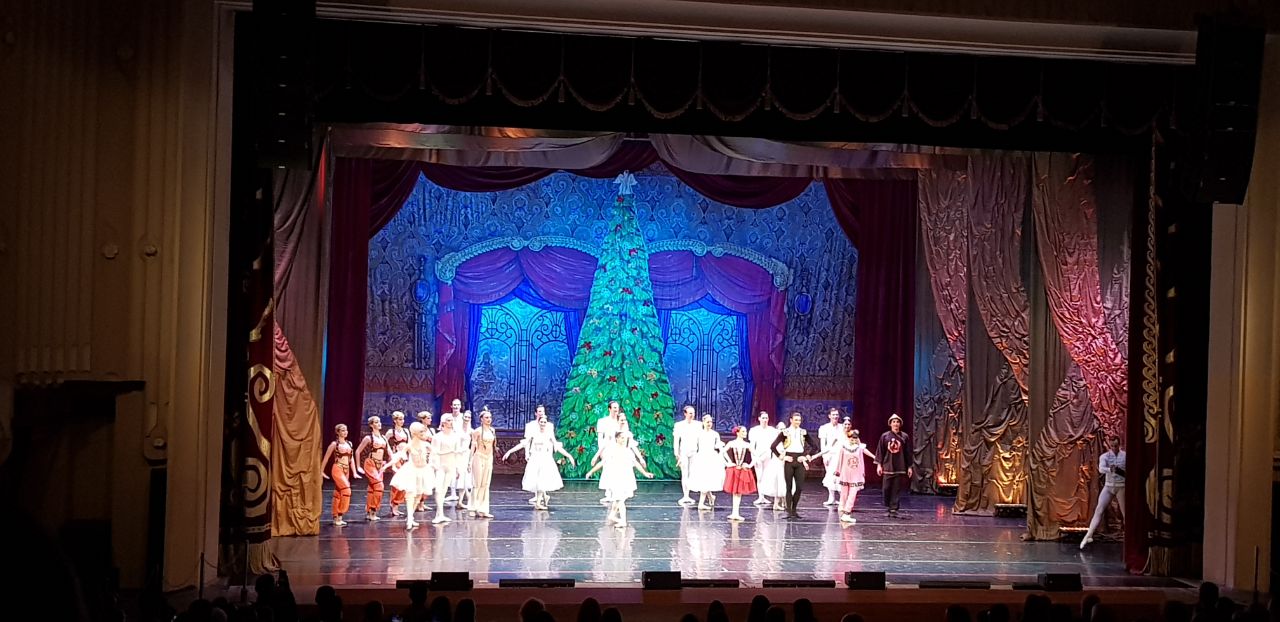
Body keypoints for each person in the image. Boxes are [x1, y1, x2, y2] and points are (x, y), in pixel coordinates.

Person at [504, 411, 577, 510]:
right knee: (537, 480)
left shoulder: (549, 434)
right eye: (541, 422)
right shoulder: (534, 433)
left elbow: (557, 446)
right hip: (535, 458)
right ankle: (543, 498)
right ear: (538, 423)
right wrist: (509, 451)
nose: (543, 424)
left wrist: (569, 456)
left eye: (544, 422)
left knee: (542, 480)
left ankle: (539, 502)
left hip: (545, 459)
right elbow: (523, 444)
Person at [586, 430, 654, 527]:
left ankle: (618, 518)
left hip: (626, 477)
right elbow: (603, 462)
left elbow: (635, 463)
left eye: (625, 438)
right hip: (616, 477)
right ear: (617, 438)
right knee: (619, 499)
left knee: (619, 499)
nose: (624, 440)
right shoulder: (612, 451)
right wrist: (591, 471)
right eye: (622, 438)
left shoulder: (628, 451)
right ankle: (620, 519)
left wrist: (645, 473)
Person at [769, 412, 818, 520]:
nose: (798, 422)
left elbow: (814, 446)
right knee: (789, 487)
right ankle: (789, 511)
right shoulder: (785, 432)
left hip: (799, 460)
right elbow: (773, 446)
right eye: (796, 420)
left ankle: (794, 509)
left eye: (799, 420)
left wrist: (806, 456)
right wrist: (782, 457)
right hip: (789, 460)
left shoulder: (803, 432)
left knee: (799, 487)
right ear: (791, 420)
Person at [1081, 435, 1126, 549]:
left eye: (1116, 446)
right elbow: (1101, 469)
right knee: (1099, 509)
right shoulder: (1105, 456)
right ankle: (1089, 535)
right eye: (1112, 446)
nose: (1114, 448)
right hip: (1109, 486)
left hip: (1121, 486)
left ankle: (1130, 537)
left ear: (1119, 445)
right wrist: (1110, 469)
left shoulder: (1125, 456)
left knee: (1125, 512)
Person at [389, 422, 434, 531]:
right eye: (421, 432)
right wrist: (388, 465)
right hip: (413, 471)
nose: (423, 433)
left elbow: (437, 454)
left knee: (418, 495)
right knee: (411, 495)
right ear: (415, 433)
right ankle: (409, 519)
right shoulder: (409, 445)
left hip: (423, 471)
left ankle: (411, 516)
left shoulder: (426, 445)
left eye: (423, 431)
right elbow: (398, 456)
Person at [831, 425, 876, 524]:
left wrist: (874, 458)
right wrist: (837, 471)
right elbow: (840, 460)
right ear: (848, 438)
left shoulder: (859, 448)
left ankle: (847, 512)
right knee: (844, 493)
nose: (853, 440)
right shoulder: (843, 448)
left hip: (855, 474)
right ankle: (842, 510)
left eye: (855, 439)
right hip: (845, 473)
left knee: (853, 494)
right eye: (852, 438)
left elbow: (862, 458)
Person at [875, 413, 913, 518]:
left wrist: (909, 467)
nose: (895, 424)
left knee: (896, 489)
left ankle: (893, 508)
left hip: (900, 466)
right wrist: (879, 465)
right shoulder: (885, 436)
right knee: (886, 488)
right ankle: (888, 505)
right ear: (890, 424)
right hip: (887, 466)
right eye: (894, 422)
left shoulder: (904, 436)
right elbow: (880, 451)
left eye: (897, 422)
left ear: (900, 424)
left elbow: (908, 453)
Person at [430, 413, 465, 524]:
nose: (451, 422)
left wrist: (458, 468)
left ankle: (440, 514)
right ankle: (439, 513)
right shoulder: (438, 437)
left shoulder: (455, 436)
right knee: (438, 489)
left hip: (451, 465)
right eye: (448, 420)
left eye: (451, 420)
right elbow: (434, 452)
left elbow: (457, 453)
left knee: (444, 489)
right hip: (440, 466)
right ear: (443, 422)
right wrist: (434, 465)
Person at [355, 415, 391, 521]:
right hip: (370, 463)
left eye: (379, 421)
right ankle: (373, 510)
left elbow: (389, 452)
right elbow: (357, 451)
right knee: (379, 486)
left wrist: (392, 463)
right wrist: (358, 466)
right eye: (376, 422)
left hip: (380, 465)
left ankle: (369, 511)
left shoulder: (384, 438)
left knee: (372, 487)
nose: (379, 423)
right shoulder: (368, 438)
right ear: (371, 425)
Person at [321, 423, 355, 526]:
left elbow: (351, 459)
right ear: (338, 432)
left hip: (346, 470)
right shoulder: (334, 444)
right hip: (337, 468)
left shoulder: (349, 444)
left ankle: (336, 517)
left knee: (338, 492)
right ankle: (340, 514)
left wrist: (354, 472)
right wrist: (321, 471)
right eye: (343, 430)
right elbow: (326, 458)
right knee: (346, 491)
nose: (345, 432)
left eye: (346, 430)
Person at [690, 414, 726, 510]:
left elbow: (718, 446)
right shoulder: (698, 434)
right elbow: (695, 446)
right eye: (707, 422)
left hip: (711, 458)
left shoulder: (715, 434)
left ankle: (701, 503)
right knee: (703, 479)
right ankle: (710, 497)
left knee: (707, 479)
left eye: (711, 422)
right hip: (701, 457)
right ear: (703, 422)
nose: (709, 424)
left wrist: (724, 457)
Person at [721, 425, 756, 521]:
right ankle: (734, 512)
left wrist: (749, 465)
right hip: (734, 470)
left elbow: (756, 456)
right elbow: (722, 452)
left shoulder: (747, 445)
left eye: (745, 431)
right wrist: (727, 463)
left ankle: (736, 513)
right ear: (738, 433)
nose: (745, 433)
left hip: (742, 470)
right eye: (743, 431)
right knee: (735, 492)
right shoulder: (732, 443)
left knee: (739, 492)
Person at [469, 406, 497, 518]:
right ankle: (473, 507)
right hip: (478, 456)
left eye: (490, 417)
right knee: (477, 483)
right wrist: (469, 461)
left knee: (485, 483)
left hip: (488, 457)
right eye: (486, 417)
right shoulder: (477, 431)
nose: (489, 419)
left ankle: (483, 509)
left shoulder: (492, 430)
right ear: (481, 419)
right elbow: (473, 446)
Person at [595, 401, 626, 504]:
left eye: (617, 407)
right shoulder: (602, 421)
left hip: (618, 449)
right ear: (609, 409)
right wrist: (601, 452)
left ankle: (617, 493)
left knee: (617, 470)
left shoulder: (621, 421)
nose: (616, 410)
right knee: (607, 470)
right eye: (614, 408)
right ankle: (608, 494)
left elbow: (624, 435)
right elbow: (600, 438)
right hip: (607, 449)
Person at [748, 412, 781, 507]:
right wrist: (755, 457)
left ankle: (765, 495)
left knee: (767, 476)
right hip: (757, 455)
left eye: (766, 418)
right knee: (759, 476)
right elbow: (752, 446)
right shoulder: (754, 430)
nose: (765, 420)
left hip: (768, 455)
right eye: (763, 418)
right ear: (759, 418)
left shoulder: (772, 430)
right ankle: (760, 496)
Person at [524, 405, 555, 505]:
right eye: (539, 411)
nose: (541, 413)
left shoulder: (549, 425)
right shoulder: (530, 426)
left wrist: (551, 453)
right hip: (535, 452)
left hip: (545, 453)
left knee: (542, 475)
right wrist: (526, 453)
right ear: (536, 413)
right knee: (535, 474)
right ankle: (542, 496)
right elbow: (527, 441)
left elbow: (552, 440)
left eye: (543, 411)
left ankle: (542, 496)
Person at [672, 405, 702, 507]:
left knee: (691, 473)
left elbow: (700, 439)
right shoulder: (679, 425)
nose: (692, 415)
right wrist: (676, 453)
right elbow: (676, 440)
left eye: (693, 413)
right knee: (685, 473)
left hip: (694, 452)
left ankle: (689, 494)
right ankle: (686, 496)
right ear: (685, 414)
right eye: (690, 413)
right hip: (683, 452)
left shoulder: (698, 425)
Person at [385, 411, 412, 517]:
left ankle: (396, 504)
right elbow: (384, 443)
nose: (402, 421)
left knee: (404, 483)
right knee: (397, 483)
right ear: (395, 420)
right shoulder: (391, 432)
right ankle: (393, 504)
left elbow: (410, 444)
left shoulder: (406, 431)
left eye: (403, 419)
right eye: (400, 419)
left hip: (405, 457)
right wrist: (390, 454)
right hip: (396, 458)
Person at [817, 409, 845, 507]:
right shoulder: (824, 428)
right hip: (830, 455)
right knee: (830, 476)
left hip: (841, 455)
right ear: (829, 416)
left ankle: (842, 498)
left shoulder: (842, 427)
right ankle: (831, 497)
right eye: (833, 415)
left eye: (837, 415)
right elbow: (823, 444)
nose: (835, 416)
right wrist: (825, 456)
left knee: (841, 476)